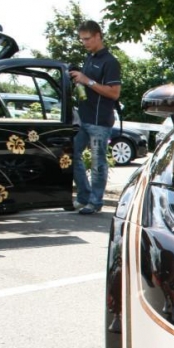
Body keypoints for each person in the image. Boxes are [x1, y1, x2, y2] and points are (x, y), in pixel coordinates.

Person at [70, 20, 121, 215]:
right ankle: (84, 196)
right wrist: (77, 81)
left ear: (98, 35)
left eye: (87, 39)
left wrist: (87, 81)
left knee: (98, 163)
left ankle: (95, 201)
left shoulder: (110, 62)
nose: (84, 42)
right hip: (83, 118)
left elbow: (114, 93)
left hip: (100, 121)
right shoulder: (89, 58)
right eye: (82, 39)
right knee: (72, 154)